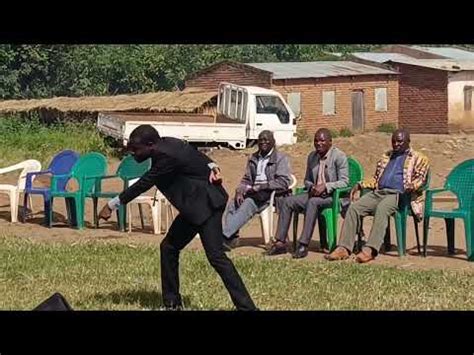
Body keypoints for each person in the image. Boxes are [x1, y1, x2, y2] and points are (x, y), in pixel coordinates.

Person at [98, 125, 257, 310]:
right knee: (169, 248)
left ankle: (248, 308)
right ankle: (172, 303)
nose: (133, 154)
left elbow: (145, 183)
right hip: (194, 208)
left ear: (150, 144)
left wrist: (112, 205)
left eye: (136, 149)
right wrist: (212, 165)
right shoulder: (167, 143)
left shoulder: (166, 156)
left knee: (216, 257)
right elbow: (194, 153)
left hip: (207, 205)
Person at [326, 128, 430, 263]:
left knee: (382, 208)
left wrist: (412, 185)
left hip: (400, 195)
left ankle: (370, 249)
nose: (396, 144)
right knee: (354, 208)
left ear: (408, 142)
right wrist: (360, 184)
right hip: (380, 192)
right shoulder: (386, 156)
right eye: (393, 141)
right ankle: (344, 248)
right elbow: (376, 179)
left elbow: (421, 179)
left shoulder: (419, 158)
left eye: (399, 141)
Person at [267, 128, 349, 259]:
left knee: (312, 202)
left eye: (322, 140)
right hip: (314, 194)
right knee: (288, 201)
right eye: (316, 141)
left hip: (332, 197)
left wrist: (326, 186)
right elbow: (307, 180)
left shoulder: (339, 156)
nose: (318, 143)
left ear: (330, 142)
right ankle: (280, 242)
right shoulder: (312, 156)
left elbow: (345, 182)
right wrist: (312, 187)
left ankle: (303, 244)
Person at [222, 130, 292, 250]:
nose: (263, 143)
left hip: (271, 194)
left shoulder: (281, 158)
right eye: (260, 140)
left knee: (248, 204)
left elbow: (284, 181)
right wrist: (240, 190)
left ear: (273, 142)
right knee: (233, 203)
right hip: (253, 191)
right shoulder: (253, 158)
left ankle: (222, 236)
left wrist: (263, 186)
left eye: (266, 140)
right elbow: (246, 179)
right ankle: (231, 238)